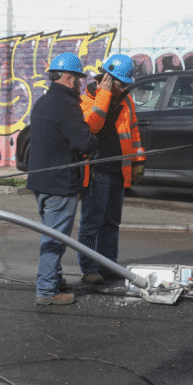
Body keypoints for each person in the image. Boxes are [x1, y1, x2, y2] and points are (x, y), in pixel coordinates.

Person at [26, 53, 98, 305]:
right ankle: (47, 291)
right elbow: (83, 142)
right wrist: (95, 140)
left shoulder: (43, 102)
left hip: (41, 182)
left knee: (50, 232)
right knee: (55, 239)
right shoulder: (68, 106)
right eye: (78, 78)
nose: (80, 83)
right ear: (68, 78)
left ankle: (53, 279)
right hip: (60, 184)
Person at [77, 54, 145, 284]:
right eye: (119, 84)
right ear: (106, 78)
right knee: (92, 223)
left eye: (125, 84)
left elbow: (134, 134)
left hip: (119, 171)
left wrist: (138, 161)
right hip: (97, 171)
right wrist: (104, 94)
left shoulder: (126, 101)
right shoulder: (86, 100)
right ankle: (89, 269)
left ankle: (108, 264)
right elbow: (90, 126)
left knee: (112, 223)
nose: (123, 88)